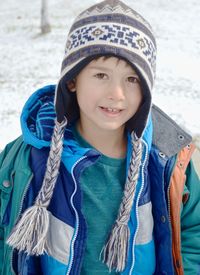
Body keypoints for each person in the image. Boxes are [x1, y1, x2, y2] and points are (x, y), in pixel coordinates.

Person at [0, 0, 200, 274]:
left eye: (132, 80)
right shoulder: (26, 156)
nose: (116, 94)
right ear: (72, 80)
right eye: (101, 75)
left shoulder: (168, 160)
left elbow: (193, 234)